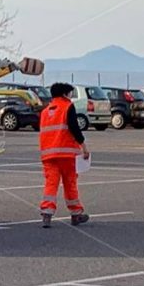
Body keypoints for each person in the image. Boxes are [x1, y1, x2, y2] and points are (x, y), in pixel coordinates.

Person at [39, 82, 91, 228]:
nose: (71, 96)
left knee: (51, 184)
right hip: (67, 154)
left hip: (48, 155)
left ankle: (47, 213)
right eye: (70, 93)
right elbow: (74, 129)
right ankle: (76, 214)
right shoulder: (67, 107)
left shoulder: (45, 111)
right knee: (70, 184)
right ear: (64, 94)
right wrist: (84, 147)